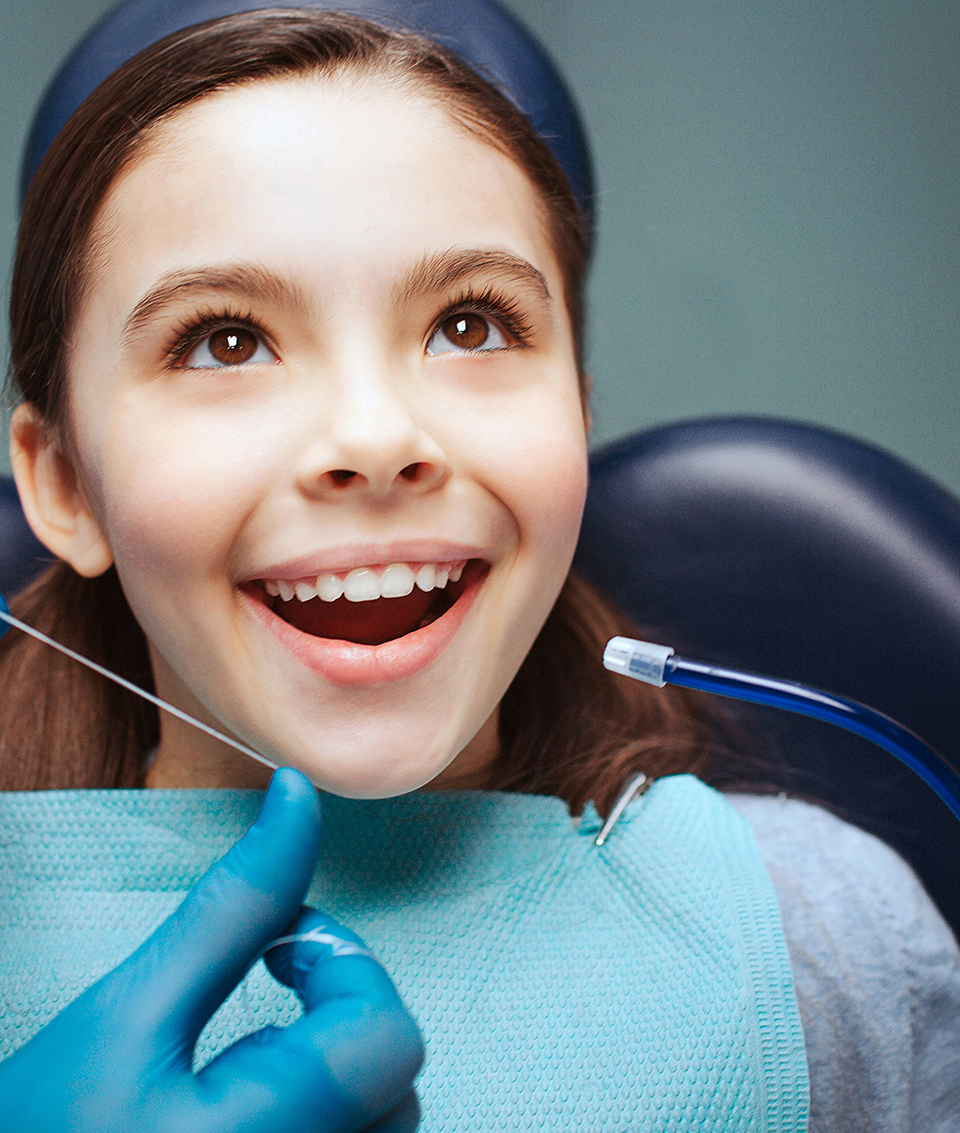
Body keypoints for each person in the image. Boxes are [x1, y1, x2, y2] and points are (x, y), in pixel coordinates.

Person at [0, 5, 957, 1130]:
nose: (371, 437)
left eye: (469, 325)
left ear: (579, 415)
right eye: (226, 338)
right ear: (61, 483)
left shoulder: (824, 938)